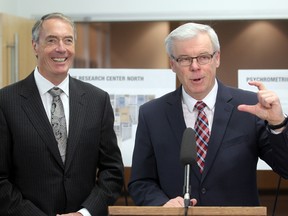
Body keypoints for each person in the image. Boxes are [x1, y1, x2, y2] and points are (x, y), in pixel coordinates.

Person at [128, 22, 288, 207]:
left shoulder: (250, 106)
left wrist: (278, 123)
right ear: (172, 64)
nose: (195, 66)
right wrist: (162, 205)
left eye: (203, 57)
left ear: (217, 58)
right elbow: (140, 182)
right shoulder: (152, 114)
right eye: (185, 59)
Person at [0, 12, 124, 216]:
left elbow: (112, 172)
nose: (61, 48)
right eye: (51, 40)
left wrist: (84, 213)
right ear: (35, 46)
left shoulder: (97, 100)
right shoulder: (6, 102)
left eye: (68, 40)